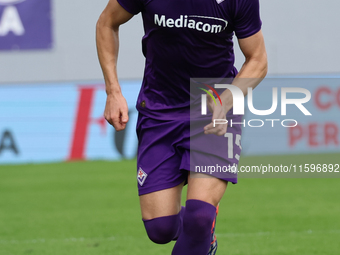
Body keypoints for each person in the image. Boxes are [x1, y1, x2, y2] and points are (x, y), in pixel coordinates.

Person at [96, 0, 267, 254]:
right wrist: (112, 91)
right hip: (159, 111)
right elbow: (107, 23)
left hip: (213, 110)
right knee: (160, 228)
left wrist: (226, 101)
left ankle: (203, 224)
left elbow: (258, 59)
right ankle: (203, 234)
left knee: (199, 217)